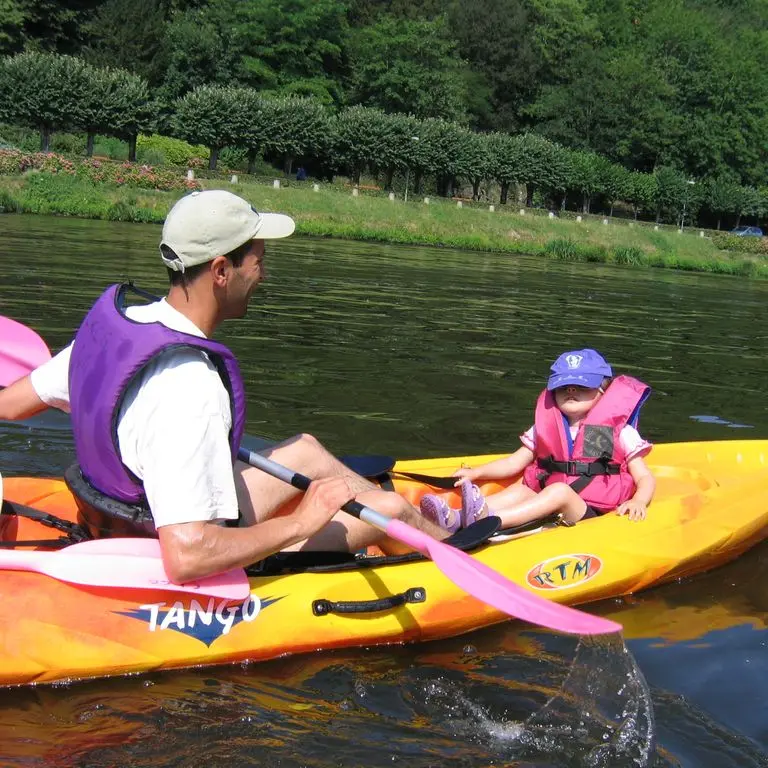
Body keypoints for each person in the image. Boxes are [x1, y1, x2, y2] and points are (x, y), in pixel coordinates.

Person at [0, 189, 448, 581]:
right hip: (175, 543)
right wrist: (303, 522)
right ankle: (458, 551)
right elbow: (187, 555)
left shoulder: (115, 329)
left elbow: (11, 405)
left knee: (308, 450)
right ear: (220, 271)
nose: (263, 277)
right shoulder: (190, 384)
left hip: (120, 509)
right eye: (258, 263)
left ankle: (406, 522)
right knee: (390, 514)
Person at [419, 349, 656, 531]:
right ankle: (455, 518)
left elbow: (644, 477)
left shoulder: (620, 431)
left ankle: (489, 522)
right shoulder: (544, 427)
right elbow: (514, 462)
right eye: (564, 387)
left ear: (603, 391)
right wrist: (477, 473)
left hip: (591, 513)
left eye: (581, 386)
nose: (571, 391)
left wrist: (639, 501)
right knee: (523, 490)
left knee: (560, 491)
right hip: (550, 501)